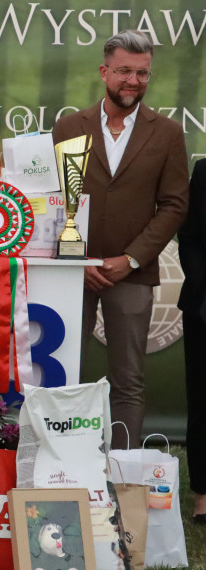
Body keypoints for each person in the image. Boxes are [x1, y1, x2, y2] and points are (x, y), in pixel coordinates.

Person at [52, 29, 188, 447]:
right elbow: (54, 200)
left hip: (132, 275)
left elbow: (174, 206)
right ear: (104, 71)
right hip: (72, 274)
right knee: (63, 374)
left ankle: (122, 472)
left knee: (128, 380)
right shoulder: (67, 127)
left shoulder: (166, 133)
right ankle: (65, 467)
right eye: (125, 71)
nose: (133, 81)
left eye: (143, 73)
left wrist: (128, 259)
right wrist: (80, 261)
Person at [178, 159, 206, 524]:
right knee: (203, 401)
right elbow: (189, 238)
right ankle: (203, 495)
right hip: (204, 307)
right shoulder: (203, 173)